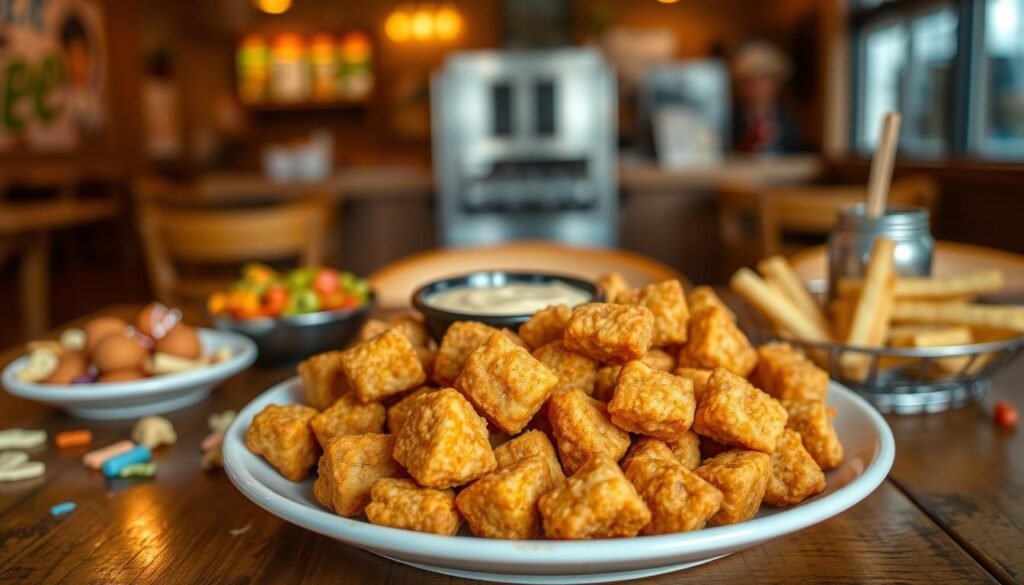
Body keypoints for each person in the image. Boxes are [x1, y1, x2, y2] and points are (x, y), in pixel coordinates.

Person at [731, 40, 801, 154]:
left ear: (776, 84)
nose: (758, 88)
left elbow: (794, 149)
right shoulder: (733, 118)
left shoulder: (786, 116)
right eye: (751, 81)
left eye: (764, 80)